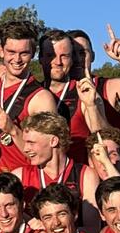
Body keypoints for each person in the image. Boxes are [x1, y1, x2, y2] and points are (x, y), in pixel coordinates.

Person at [0, 21, 57, 189]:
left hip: (21, 188)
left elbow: (47, 154)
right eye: (11, 52)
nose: (17, 59)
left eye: (24, 53)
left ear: (33, 53)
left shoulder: (41, 98)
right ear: (0, 51)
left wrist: (13, 130)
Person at [12, 111, 101, 233]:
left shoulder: (86, 175)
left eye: (31, 143)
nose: (25, 149)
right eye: (25, 142)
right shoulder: (19, 177)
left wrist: (52, 229)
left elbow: (92, 229)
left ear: (53, 141)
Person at [39, 29, 109, 164]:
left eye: (64, 56)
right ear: (41, 58)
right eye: (50, 55)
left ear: (72, 59)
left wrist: (91, 106)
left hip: (76, 177)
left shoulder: (84, 91)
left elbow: (105, 140)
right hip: (38, 177)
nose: (58, 62)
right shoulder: (32, 92)